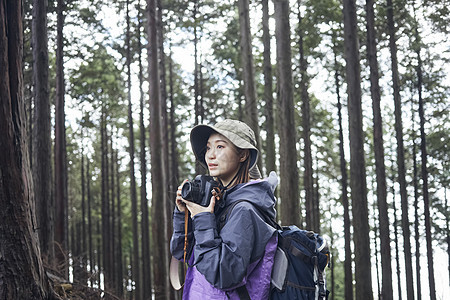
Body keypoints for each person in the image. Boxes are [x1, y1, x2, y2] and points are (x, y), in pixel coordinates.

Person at [170, 119, 278, 299]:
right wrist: (184, 216)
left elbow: (224, 275)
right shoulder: (218, 203)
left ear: (242, 155)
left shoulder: (245, 209)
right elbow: (186, 254)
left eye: (220, 147)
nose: (210, 155)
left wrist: (204, 221)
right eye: (208, 147)